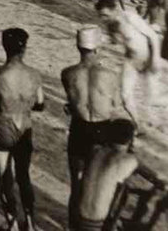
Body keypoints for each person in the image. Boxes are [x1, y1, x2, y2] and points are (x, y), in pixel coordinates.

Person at [61, 26, 127, 230]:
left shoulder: (67, 73)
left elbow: (74, 103)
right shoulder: (110, 74)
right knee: (99, 185)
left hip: (79, 128)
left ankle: (74, 227)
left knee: (76, 185)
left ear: (77, 46)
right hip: (102, 130)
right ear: (97, 46)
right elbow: (115, 104)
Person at [0, 28, 44, 231]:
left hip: (3, 125)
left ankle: (12, 222)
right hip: (24, 125)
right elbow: (41, 104)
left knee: (5, 178)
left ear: (4, 47)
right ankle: (30, 221)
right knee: (23, 176)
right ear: (25, 48)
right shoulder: (35, 75)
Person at [95, 0, 161, 131]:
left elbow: (153, 37)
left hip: (148, 57)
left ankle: (154, 123)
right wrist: (99, 40)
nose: (103, 19)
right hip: (131, 59)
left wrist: (155, 59)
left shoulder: (130, 17)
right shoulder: (110, 25)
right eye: (101, 16)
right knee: (125, 94)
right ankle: (138, 124)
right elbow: (114, 41)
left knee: (150, 96)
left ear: (114, 10)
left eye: (106, 15)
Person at [77, 119, 137, 231]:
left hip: (80, 213)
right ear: (130, 139)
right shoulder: (128, 161)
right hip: (97, 221)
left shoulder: (95, 150)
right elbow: (134, 163)